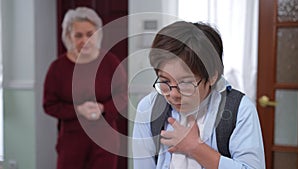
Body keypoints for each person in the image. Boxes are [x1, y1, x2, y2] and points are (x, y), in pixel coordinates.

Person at [132, 21, 265, 169]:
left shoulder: (239, 109)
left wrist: (195, 148)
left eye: (185, 83)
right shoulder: (149, 108)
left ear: (212, 77)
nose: (174, 94)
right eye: (165, 81)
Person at [43, 7, 127, 169]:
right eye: (78, 35)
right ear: (68, 37)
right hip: (71, 139)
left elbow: (123, 95)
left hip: (105, 138)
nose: (85, 40)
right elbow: (49, 104)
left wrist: (103, 107)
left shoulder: (110, 62)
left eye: (90, 34)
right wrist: (78, 110)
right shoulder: (57, 68)